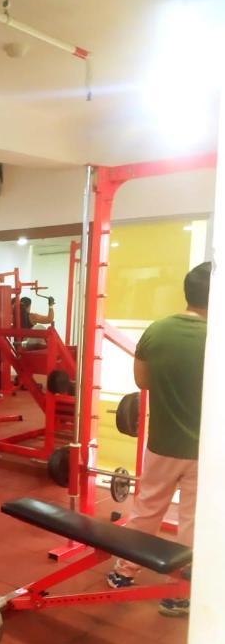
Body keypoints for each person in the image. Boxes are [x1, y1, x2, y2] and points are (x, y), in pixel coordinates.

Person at [107, 261, 211, 617]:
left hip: (163, 443)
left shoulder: (157, 330)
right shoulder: (217, 337)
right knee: (193, 521)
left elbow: (142, 382)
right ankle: (181, 592)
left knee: (146, 510)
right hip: (205, 451)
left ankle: (123, 573)